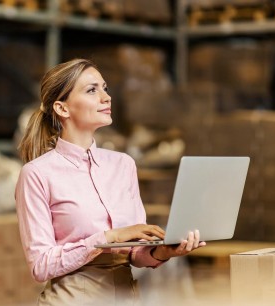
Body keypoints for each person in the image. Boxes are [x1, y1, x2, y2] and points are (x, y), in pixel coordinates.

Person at [15, 58, 206, 305]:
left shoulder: (123, 165)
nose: (106, 97)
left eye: (104, 88)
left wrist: (161, 252)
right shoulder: (37, 174)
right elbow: (41, 265)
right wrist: (109, 237)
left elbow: (136, 253)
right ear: (62, 108)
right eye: (92, 90)